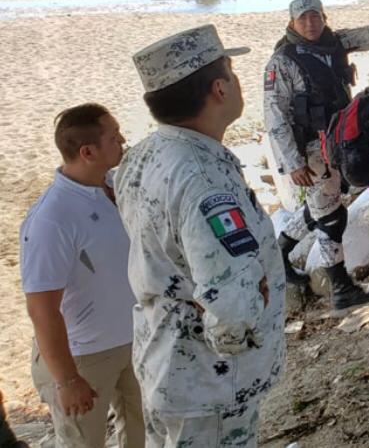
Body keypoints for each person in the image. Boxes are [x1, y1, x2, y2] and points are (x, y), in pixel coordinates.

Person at [115, 24, 284, 448]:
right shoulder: (204, 179)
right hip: (209, 387)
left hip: (164, 363)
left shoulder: (144, 154)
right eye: (230, 70)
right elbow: (231, 317)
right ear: (219, 89)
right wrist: (250, 310)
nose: (236, 79)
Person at [264, 0, 369, 310]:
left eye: (315, 17)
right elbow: (274, 116)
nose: (310, 24)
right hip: (310, 149)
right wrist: (292, 163)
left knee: (321, 204)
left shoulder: (335, 43)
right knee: (331, 216)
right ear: (291, 23)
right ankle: (340, 287)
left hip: (338, 138)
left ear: (324, 18)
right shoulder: (283, 62)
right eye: (303, 19)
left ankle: (278, 253)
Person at [20, 104, 143, 448]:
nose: (122, 140)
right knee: (83, 443)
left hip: (135, 340)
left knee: (143, 435)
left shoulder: (114, 186)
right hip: (84, 357)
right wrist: (66, 379)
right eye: (113, 136)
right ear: (87, 152)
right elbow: (41, 308)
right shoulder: (52, 219)